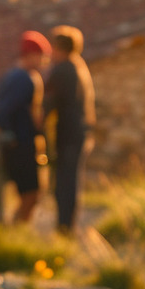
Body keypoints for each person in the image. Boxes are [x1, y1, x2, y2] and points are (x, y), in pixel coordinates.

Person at [0, 30, 50, 224]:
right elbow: (5, 111)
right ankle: (17, 230)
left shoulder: (13, 76)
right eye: (42, 57)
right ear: (31, 55)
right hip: (21, 145)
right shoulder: (23, 79)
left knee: (29, 194)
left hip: (19, 143)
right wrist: (14, 137)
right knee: (31, 194)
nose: (43, 62)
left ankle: (16, 228)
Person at [44, 25, 95, 233]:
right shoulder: (78, 66)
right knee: (72, 179)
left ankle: (64, 226)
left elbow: (48, 102)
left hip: (68, 133)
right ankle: (68, 224)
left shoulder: (63, 69)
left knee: (64, 181)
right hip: (81, 131)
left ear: (58, 48)